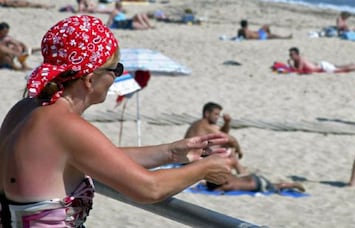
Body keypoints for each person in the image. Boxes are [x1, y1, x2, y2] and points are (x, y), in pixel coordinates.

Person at [0, 15, 235, 227]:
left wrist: (171, 152)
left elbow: (92, 157)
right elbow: (149, 189)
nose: (116, 77)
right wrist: (204, 168)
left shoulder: (25, 109)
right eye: (116, 69)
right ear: (90, 80)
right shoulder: (64, 125)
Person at [185, 102, 248, 174]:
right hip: (193, 159)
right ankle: (241, 171)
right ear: (207, 113)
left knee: (221, 146)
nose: (217, 117)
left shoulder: (200, 123)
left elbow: (223, 132)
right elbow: (230, 139)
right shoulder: (205, 125)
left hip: (191, 156)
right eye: (216, 114)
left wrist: (227, 122)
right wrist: (239, 151)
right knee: (229, 149)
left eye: (218, 115)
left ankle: (239, 169)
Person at [287, 47, 355, 74]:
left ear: (297, 54)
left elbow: (299, 70)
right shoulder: (296, 60)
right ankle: (353, 65)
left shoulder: (300, 59)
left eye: (292, 54)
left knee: (343, 70)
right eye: (290, 55)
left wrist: (290, 66)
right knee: (338, 66)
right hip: (321, 65)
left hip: (323, 67)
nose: (290, 56)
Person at [204, 173, 306, 193]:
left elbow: (219, 190)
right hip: (253, 177)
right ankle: (287, 184)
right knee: (272, 184)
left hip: (258, 185)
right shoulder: (228, 177)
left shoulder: (228, 186)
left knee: (276, 187)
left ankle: (293, 184)